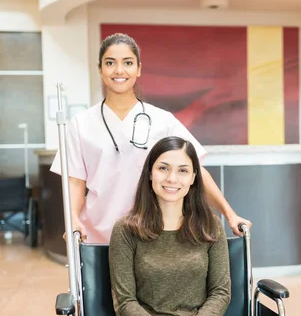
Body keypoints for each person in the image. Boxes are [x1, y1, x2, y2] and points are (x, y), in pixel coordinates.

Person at [50, 32, 251, 243]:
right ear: (100, 69)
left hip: (150, 236)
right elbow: (75, 182)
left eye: (128, 62)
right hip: (97, 236)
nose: (119, 70)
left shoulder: (162, 120)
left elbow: (196, 171)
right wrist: (71, 218)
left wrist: (229, 213)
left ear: (138, 69)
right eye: (110, 63)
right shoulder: (80, 123)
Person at [109, 136, 260, 316]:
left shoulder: (210, 226)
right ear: (150, 173)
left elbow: (220, 292)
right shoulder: (126, 230)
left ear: (193, 178)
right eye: (163, 168)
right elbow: (125, 303)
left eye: (183, 170)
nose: (172, 179)